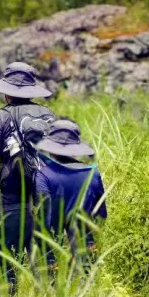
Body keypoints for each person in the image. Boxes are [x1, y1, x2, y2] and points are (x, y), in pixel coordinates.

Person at [0, 62, 54, 297]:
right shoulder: (48, 116)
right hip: (46, 200)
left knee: (7, 263)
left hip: (12, 202)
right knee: (45, 265)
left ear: (6, 92)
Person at [34, 118, 107, 277]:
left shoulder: (43, 175)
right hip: (85, 241)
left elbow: (44, 218)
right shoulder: (92, 173)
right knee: (84, 283)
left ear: (51, 148)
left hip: (53, 244)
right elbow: (101, 214)